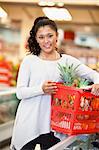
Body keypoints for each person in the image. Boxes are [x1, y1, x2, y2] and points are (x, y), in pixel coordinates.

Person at [10, 16, 99, 150]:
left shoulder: (67, 61)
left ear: (57, 36)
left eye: (50, 36)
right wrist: (41, 89)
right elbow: (20, 93)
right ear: (36, 39)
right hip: (29, 122)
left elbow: (94, 74)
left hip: (54, 125)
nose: (46, 41)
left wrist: (97, 82)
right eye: (41, 37)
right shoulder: (29, 61)